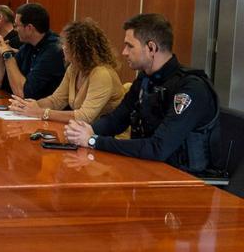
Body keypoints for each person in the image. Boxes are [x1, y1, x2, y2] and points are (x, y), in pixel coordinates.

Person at [65, 13, 221, 174]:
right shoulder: (146, 79)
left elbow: (158, 148)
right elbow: (116, 120)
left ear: (151, 48)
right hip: (148, 170)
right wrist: (83, 130)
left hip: (186, 183)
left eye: (130, 46)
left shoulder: (190, 89)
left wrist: (93, 140)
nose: (124, 52)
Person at [10, 18, 125, 123]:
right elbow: (56, 101)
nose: (63, 47)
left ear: (82, 50)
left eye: (67, 44)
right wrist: (28, 106)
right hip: (84, 133)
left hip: (109, 138)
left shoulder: (101, 73)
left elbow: (84, 117)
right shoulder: (74, 68)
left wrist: (41, 113)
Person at [0, 2, 66, 100]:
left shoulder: (54, 50)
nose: (15, 30)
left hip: (45, 111)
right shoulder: (29, 45)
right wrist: (0, 52)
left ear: (29, 28)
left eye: (17, 26)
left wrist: (7, 55)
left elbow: (23, 93)